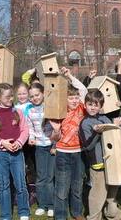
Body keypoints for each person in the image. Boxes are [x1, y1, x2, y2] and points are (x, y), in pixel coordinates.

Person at [0, 83, 30, 220]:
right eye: (7, 96)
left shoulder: (18, 112)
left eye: (12, 95)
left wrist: (18, 143)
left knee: (20, 183)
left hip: (17, 154)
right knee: (4, 185)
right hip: (0, 155)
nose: (11, 98)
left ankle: (24, 212)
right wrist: (2, 143)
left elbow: (25, 131)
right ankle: (5, 215)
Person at [79, 90, 121, 220]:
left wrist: (117, 126)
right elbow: (88, 145)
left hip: (111, 161)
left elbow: (113, 136)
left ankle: (112, 214)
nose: (93, 107)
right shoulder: (85, 123)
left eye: (96, 105)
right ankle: (93, 217)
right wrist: (98, 132)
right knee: (98, 193)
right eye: (90, 104)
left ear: (101, 106)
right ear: (85, 105)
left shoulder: (103, 118)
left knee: (113, 189)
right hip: (98, 163)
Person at [49, 67, 87, 220]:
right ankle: (60, 215)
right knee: (62, 187)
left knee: (77, 186)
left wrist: (69, 76)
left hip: (78, 152)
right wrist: (56, 131)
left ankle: (77, 212)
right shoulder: (59, 111)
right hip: (63, 153)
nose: (74, 100)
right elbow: (53, 138)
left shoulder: (82, 108)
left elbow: (83, 89)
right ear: (64, 99)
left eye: (76, 97)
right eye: (71, 98)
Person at [25, 82, 55, 217]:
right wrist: (31, 137)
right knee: (41, 177)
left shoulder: (49, 107)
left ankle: (52, 205)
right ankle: (42, 204)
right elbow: (30, 127)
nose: (35, 98)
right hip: (40, 147)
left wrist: (55, 144)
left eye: (37, 95)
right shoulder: (29, 110)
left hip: (52, 146)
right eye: (31, 96)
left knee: (50, 177)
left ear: (43, 93)